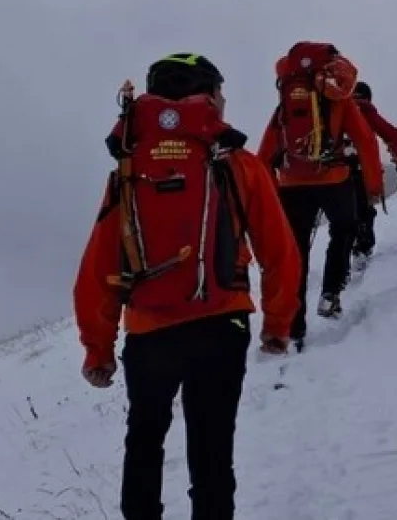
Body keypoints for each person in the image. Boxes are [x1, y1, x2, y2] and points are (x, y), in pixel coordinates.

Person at [74, 52, 301, 520]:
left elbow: (100, 262)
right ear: (210, 95)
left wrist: (98, 349)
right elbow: (280, 251)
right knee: (212, 451)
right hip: (223, 321)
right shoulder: (238, 163)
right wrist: (278, 324)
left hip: (148, 330)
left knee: (144, 441)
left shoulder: (128, 169)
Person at [258, 41, 384, 337]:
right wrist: (373, 184)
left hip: (291, 184)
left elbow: (265, 153)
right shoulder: (340, 99)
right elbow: (365, 141)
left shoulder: (286, 101)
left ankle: (294, 323)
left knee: (296, 250)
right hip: (334, 180)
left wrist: (270, 191)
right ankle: (330, 292)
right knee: (344, 228)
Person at [346, 80, 397, 258]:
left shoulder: (338, 110)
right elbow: (388, 132)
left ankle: (343, 255)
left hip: (335, 170)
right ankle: (362, 250)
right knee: (363, 211)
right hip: (361, 169)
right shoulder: (365, 110)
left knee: (343, 214)